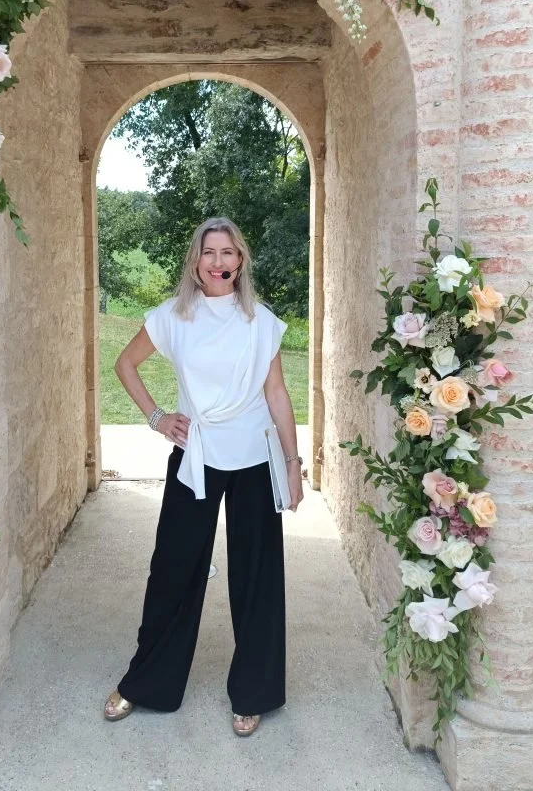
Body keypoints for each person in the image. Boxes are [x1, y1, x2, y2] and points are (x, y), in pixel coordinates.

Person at [103, 216, 304, 736]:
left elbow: (277, 394)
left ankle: (253, 692)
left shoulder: (262, 321)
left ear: (241, 260)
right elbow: (126, 365)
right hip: (195, 455)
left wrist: (293, 463)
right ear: (196, 260)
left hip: (255, 460)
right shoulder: (173, 316)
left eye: (229, 252)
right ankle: (145, 683)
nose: (219, 262)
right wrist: (156, 417)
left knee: (256, 577)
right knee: (173, 568)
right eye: (209, 253)